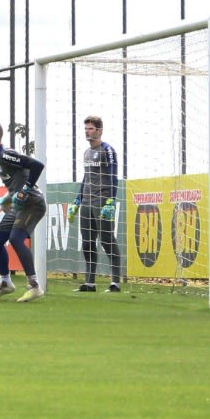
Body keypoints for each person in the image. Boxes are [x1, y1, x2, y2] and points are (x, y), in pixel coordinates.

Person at [0, 121, 46, 303]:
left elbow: (37, 166)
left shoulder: (6, 155)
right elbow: (18, 177)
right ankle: (6, 283)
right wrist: (10, 195)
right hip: (19, 205)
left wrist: (24, 191)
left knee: (16, 238)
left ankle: (34, 286)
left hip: (33, 203)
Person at [68, 115, 123, 293]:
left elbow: (114, 176)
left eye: (90, 128)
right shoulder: (86, 153)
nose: (87, 131)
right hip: (87, 201)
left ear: (99, 130)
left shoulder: (107, 150)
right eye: (85, 128)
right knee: (87, 242)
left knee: (107, 240)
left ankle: (115, 282)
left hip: (102, 201)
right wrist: (77, 200)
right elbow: (86, 177)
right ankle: (90, 283)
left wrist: (110, 201)